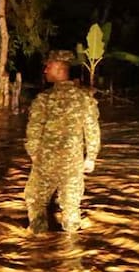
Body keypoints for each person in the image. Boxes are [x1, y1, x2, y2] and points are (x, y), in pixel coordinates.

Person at [23, 49, 101, 233]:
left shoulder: (44, 99)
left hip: (45, 160)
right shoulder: (84, 97)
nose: (45, 71)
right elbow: (92, 129)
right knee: (71, 207)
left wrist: (34, 154)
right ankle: (72, 244)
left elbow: (34, 131)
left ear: (58, 69)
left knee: (35, 199)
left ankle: (37, 241)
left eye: (48, 67)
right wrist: (91, 158)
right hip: (73, 162)